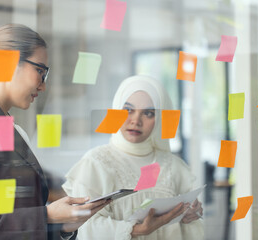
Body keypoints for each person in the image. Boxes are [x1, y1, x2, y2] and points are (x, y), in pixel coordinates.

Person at [0, 24, 109, 240]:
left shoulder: (0, 124)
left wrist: (61, 226)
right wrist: (46, 215)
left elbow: (2, 218)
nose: (43, 86)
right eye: (40, 71)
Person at [62, 75, 204, 239]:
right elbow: (86, 227)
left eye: (148, 113)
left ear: (159, 119)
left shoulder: (173, 166)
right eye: (128, 110)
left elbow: (191, 229)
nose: (135, 120)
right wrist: (135, 230)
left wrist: (191, 215)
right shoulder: (96, 163)